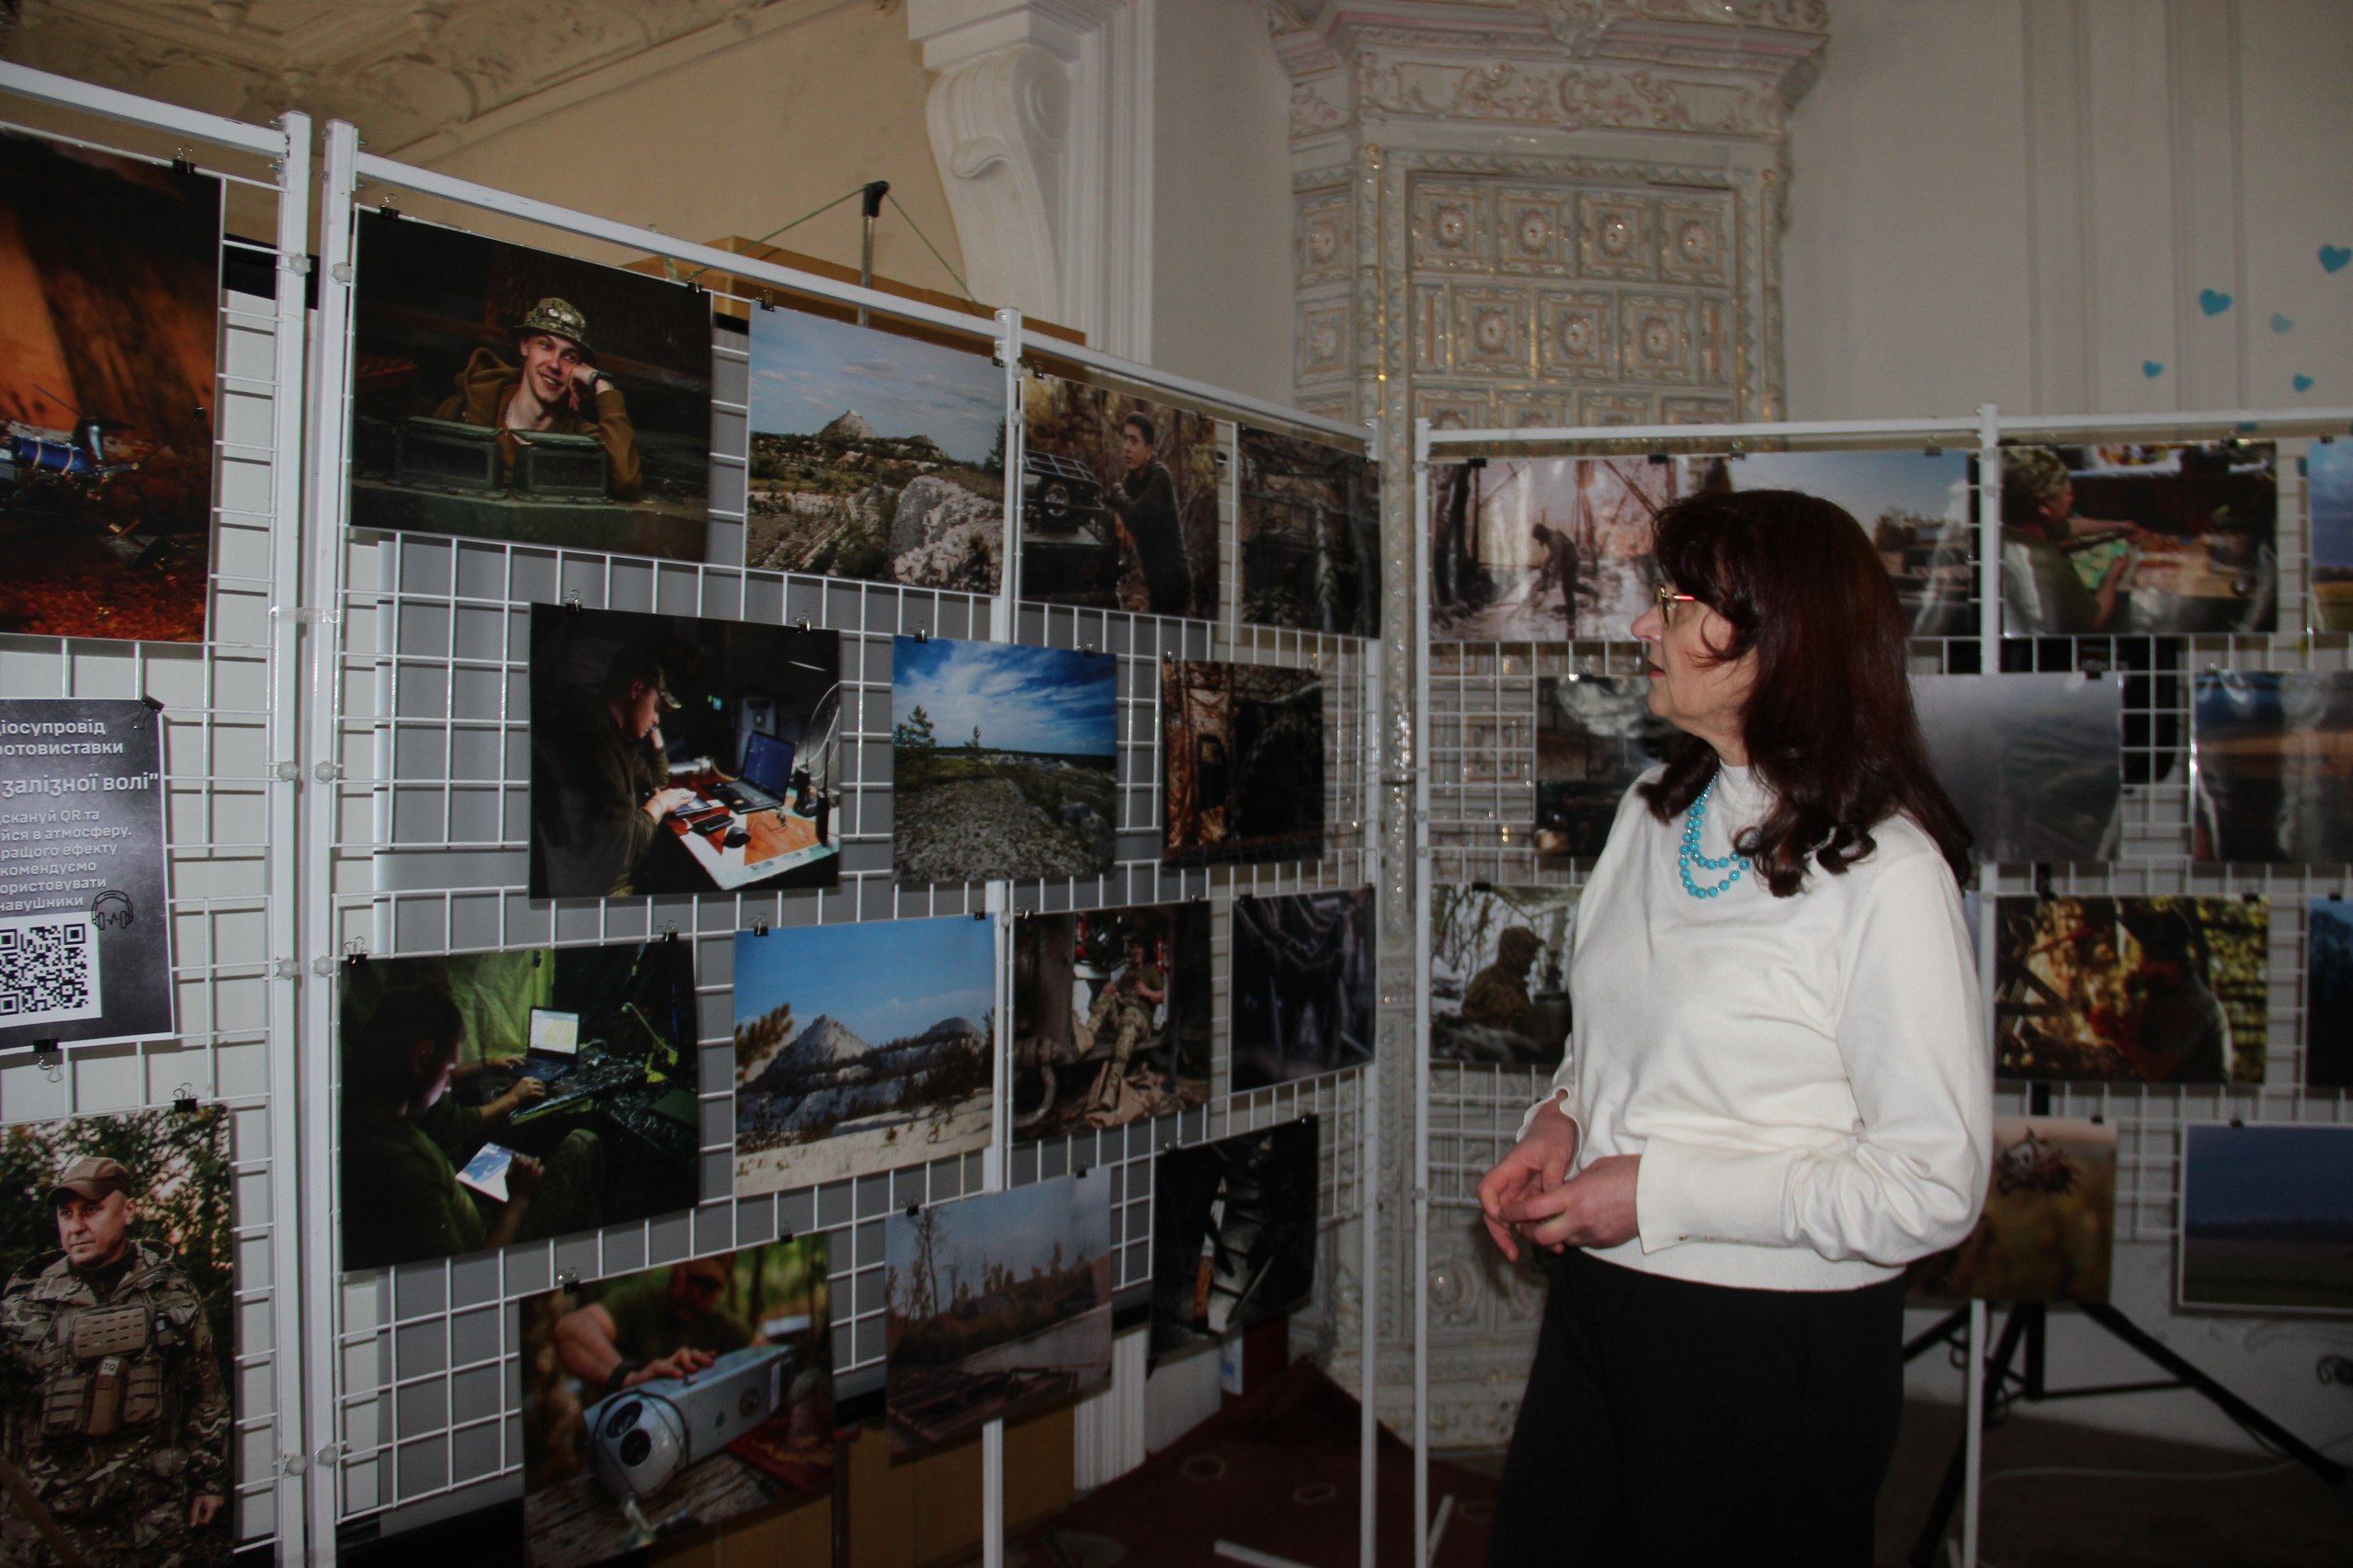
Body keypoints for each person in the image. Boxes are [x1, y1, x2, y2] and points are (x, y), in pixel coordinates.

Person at [1476, 488, 1992, 1567]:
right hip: (1603, 1300)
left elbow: (1931, 1186)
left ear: (1780, 639)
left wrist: (1657, 1190)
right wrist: (1561, 1118)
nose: (1640, 626)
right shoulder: (1652, 812)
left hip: (1770, 1344)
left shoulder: (1889, 874)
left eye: (1673, 602)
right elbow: (1611, 1040)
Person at [0, 1156, 231, 1568]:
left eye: (91, 1210)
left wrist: (208, 1481)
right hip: (50, 1522)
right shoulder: (24, 1304)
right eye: (66, 1214)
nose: (75, 1227)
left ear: (128, 1210)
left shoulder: (170, 1293)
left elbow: (204, 1392)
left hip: (149, 1516)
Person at [341, 987, 605, 1271]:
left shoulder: (359, 1111)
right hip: (493, 1245)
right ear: (421, 1058)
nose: (447, 1085)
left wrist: (484, 1065)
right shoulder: (411, 1169)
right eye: (448, 1070)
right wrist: (520, 1198)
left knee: (498, 1153)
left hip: (464, 1208)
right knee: (582, 1144)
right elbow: (472, 1277)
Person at [434, 296, 644, 500]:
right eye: (546, 346)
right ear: (525, 346)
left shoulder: (581, 439)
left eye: (569, 356)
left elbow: (626, 483)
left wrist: (602, 385)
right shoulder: (467, 407)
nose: (554, 364)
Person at [532, 643, 698, 897]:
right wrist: (660, 804)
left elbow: (656, 779)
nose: (657, 719)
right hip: (598, 893)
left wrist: (652, 730)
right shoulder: (596, 744)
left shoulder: (612, 735)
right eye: (655, 707)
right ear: (636, 689)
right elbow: (626, 847)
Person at [552, 1256, 752, 1400]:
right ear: (677, 1265)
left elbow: (762, 1354)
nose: (696, 1295)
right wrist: (629, 1378)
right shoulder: (640, 1302)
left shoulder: (724, 1324)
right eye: (693, 1280)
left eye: (708, 1288)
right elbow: (571, 1330)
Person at [1999, 445, 2140, 633]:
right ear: (2044, 506)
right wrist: (2112, 575)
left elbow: (2071, 527)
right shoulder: (2051, 567)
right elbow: (2095, 620)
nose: (2072, 499)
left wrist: (2118, 526)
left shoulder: (2016, 525)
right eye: (2066, 494)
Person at [1104, 413, 1191, 615]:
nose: (1126, 447)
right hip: (1155, 583)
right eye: (1125, 439)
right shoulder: (1130, 482)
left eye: (1134, 441)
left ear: (1148, 451)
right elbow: (1111, 505)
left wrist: (1117, 494)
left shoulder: (1160, 476)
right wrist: (1117, 514)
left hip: (1175, 582)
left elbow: (1135, 516)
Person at [1460, 926, 1542, 1034]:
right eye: (1527, 952)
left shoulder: (1516, 985)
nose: (1533, 957)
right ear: (1510, 952)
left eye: (1533, 952)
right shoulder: (1487, 981)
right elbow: (1470, 1022)